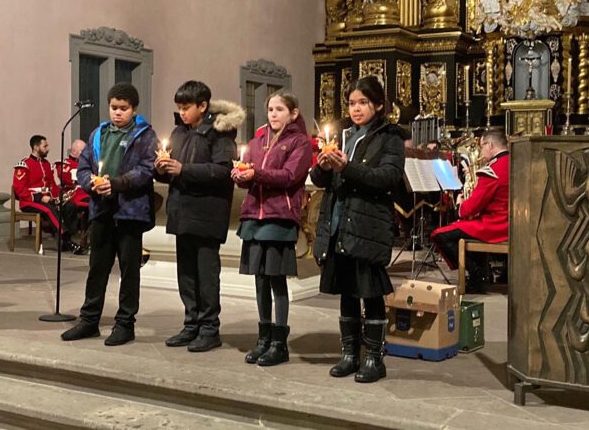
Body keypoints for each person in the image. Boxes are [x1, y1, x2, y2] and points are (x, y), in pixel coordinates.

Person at [311, 76, 406, 384]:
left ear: (378, 105)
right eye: (352, 103)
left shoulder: (389, 137)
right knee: (347, 290)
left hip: (367, 222)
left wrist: (345, 168)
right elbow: (322, 180)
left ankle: (374, 358)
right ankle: (350, 354)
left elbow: (388, 178)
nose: (356, 109)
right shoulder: (344, 135)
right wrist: (323, 167)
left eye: (363, 102)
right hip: (339, 221)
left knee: (370, 291)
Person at [62, 83, 158, 346]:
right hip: (102, 210)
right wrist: (90, 182)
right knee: (97, 268)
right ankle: (89, 320)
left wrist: (115, 183)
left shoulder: (145, 135)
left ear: (134, 109)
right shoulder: (98, 134)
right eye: (114, 108)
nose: (118, 113)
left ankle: (125, 324)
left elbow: (146, 170)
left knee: (129, 270)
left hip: (130, 212)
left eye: (123, 109)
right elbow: (83, 166)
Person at [155, 81, 242, 353]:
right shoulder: (179, 133)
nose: (181, 113)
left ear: (202, 106)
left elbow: (222, 171)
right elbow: (170, 172)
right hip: (182, 212)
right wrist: (161, 168)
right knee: (187, 275)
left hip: (207, 214)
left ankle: (209, 328)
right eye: (179, 107)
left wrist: (184, 170)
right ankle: (190, 324)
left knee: (206, 274)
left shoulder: (220, 134)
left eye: (186, 107)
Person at [234, 91, 311, 367]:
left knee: (276, 280)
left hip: (279, 218)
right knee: (259, 280)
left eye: (280, 109)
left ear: (293, 113)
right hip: (255, 217)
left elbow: (291, 177)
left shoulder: (299, 142)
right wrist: (242, 176)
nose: (274, 114)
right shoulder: (257, 141)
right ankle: (263, 338)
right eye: (270, 109)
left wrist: (257, 173)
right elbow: (251, 177)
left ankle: (280, 343)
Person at [431, 127, 510, 294]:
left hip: (495, 226)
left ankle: (476, 274)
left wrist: (460, 204)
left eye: (482, 147)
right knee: (464, 230)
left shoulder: (492, 171)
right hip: (510, 223)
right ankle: (482, 271)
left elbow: (470, 208)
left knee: (439, 235)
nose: (481, 151)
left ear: (489, 145)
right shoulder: (514, 163)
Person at [12, 134, 81, 252]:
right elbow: (20, 190)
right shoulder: (24, 164)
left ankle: (65, 241)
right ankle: (67, 240)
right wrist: (39, 197)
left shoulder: (46, 164)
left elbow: (52, 186)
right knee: (48, 209)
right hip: (29, 202)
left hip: (47, 199)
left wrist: (60, 196)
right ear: (35, 147)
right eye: (45, 146)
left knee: (70, 206)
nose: (48, 148)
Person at [56, 139, 90, 253]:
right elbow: (66, 179)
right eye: (83, 151)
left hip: (87, 192)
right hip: (75, 194)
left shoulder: (87, 163)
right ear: (75, 151)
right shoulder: (65, 164)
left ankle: (87, 239)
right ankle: (74, 240)